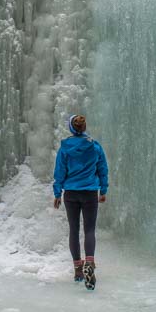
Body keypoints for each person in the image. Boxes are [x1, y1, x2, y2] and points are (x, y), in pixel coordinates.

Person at [52, 114, 109, 291]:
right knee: (90, 229)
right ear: (84, 128)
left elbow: (59, 171)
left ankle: (78, 269)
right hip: (90, 192)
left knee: (74, 230)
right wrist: (103, 189)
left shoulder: (65, 148)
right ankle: (90, 263)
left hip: (71, 193)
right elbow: (102, 169)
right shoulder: (94, 146)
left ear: (71, 128)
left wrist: (57, 193)